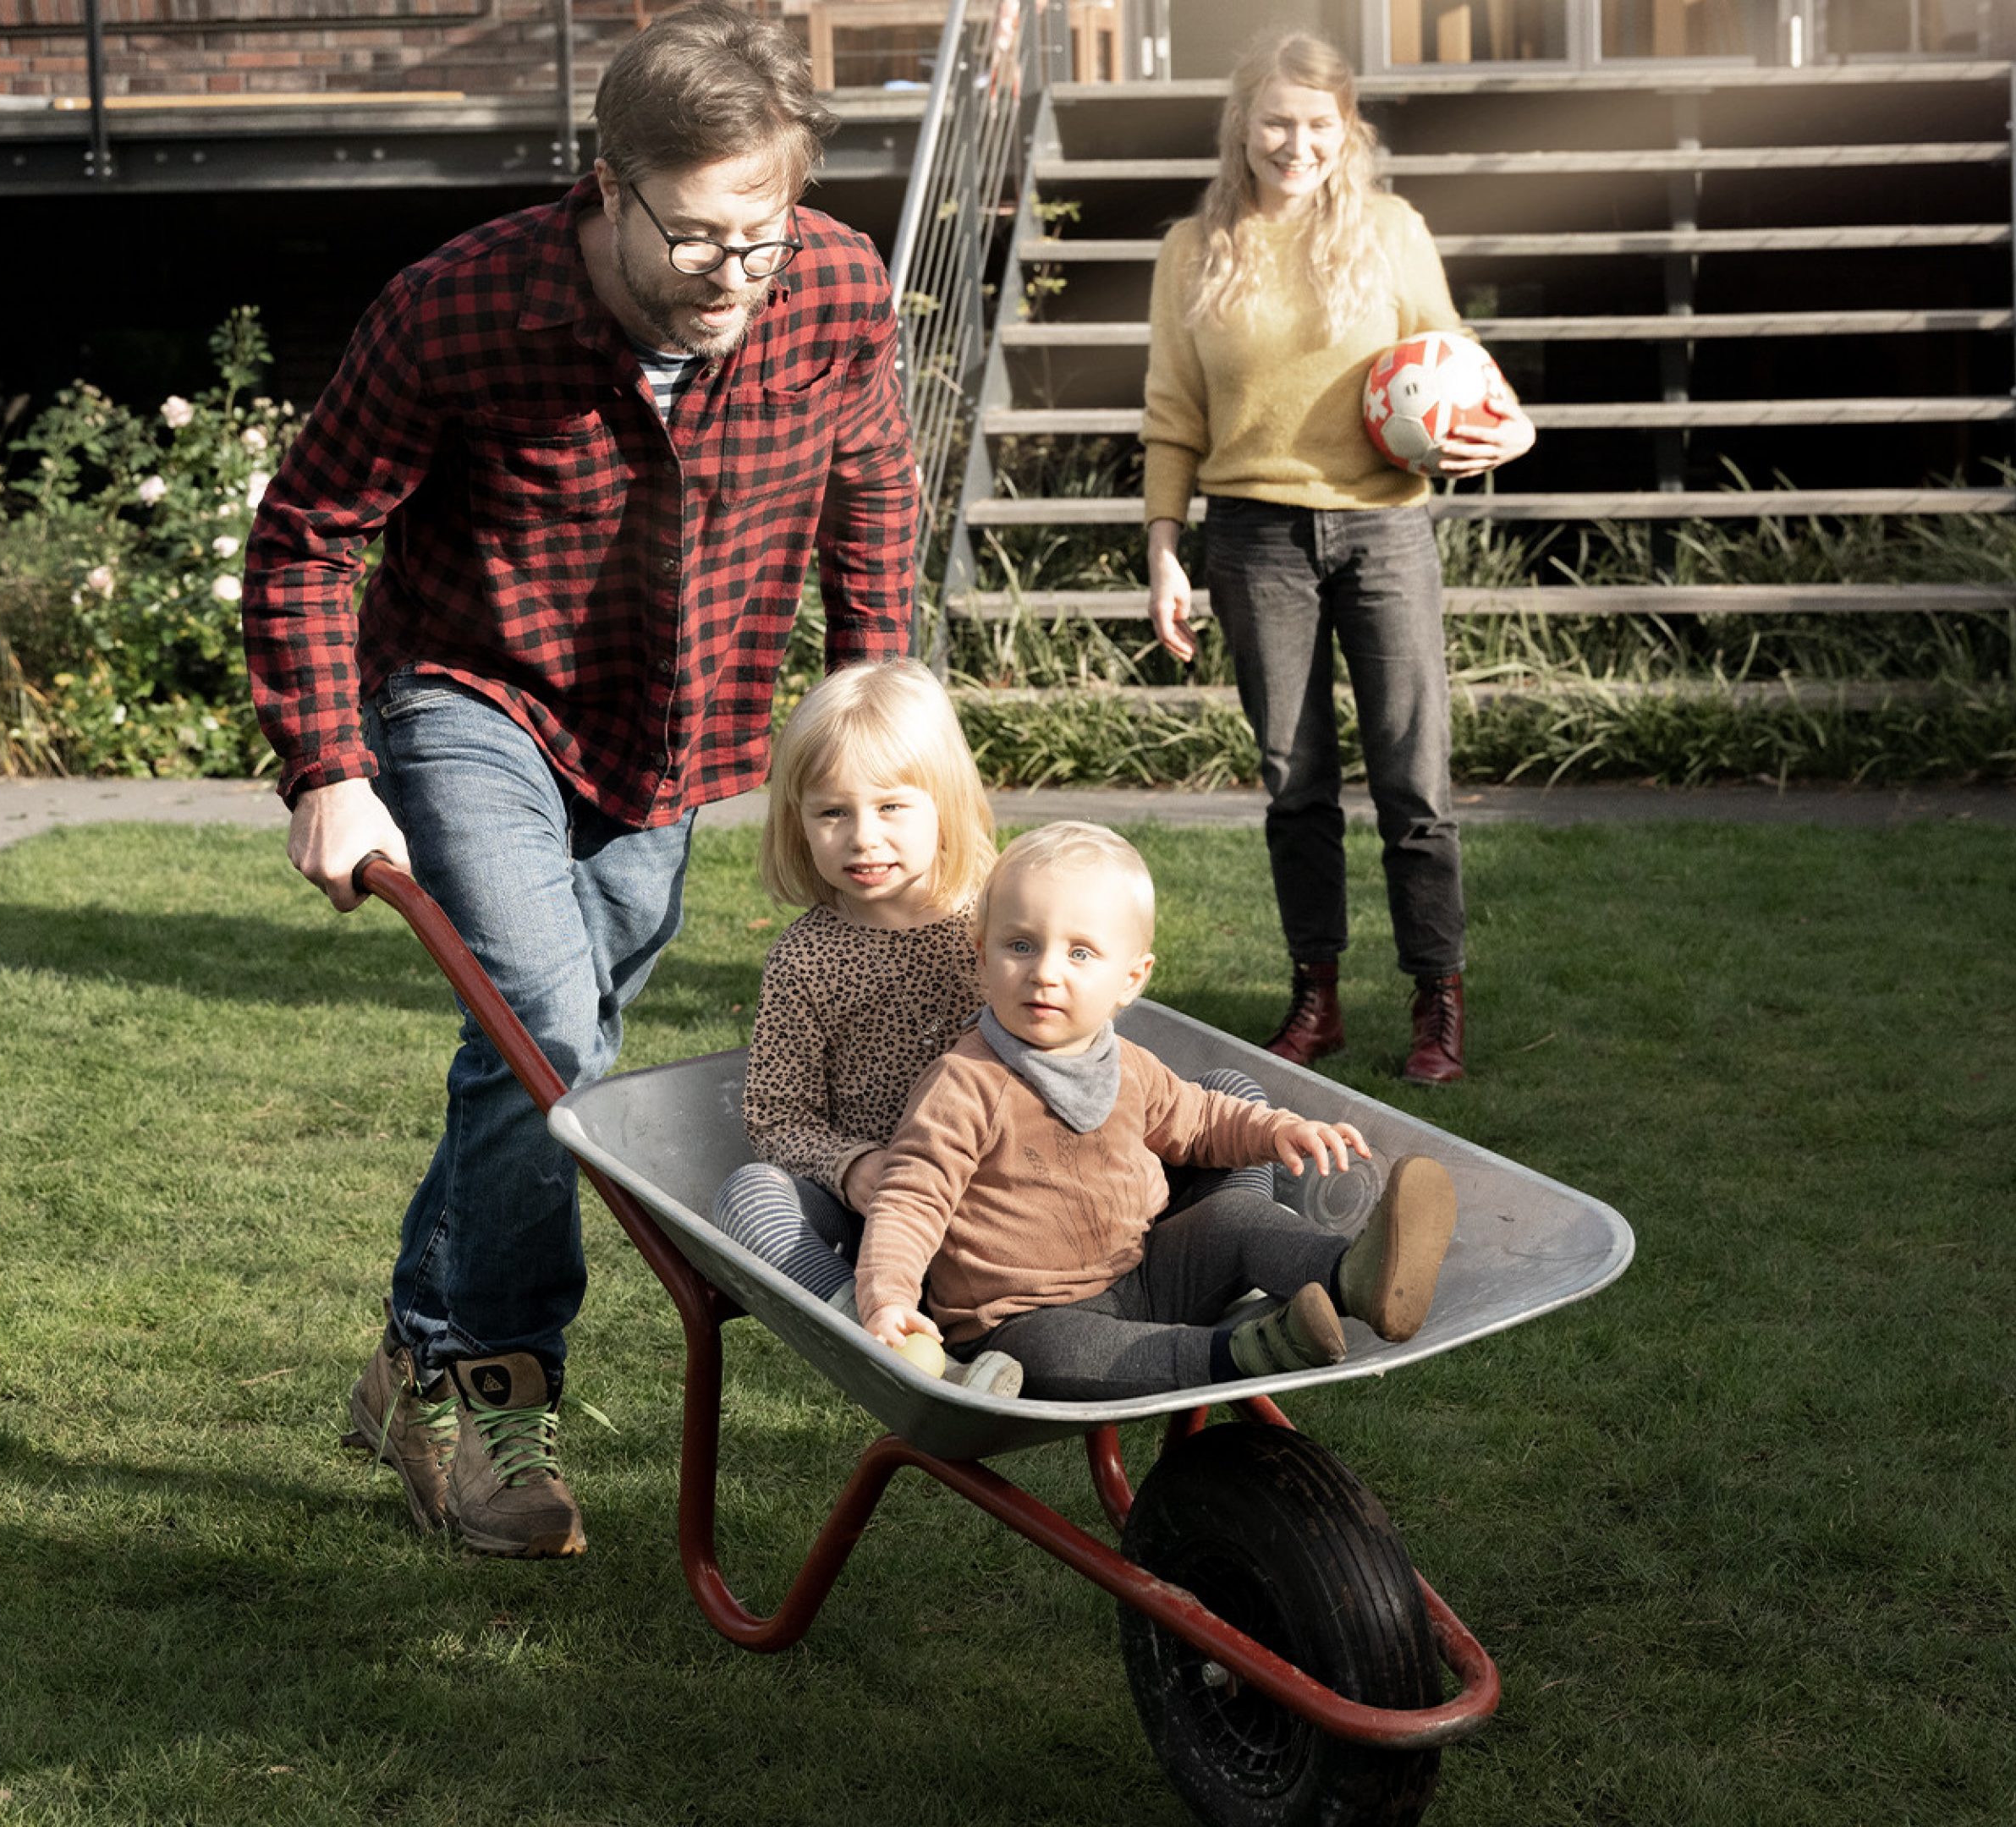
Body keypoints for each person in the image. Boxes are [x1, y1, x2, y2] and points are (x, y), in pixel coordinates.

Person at [240, 2, 919, 1559]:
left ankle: (411, 1355)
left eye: (765, 232)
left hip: (677, 730)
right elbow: (307, 534)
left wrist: (876, 711)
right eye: (695, 239)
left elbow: (872, 486)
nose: (734, 278)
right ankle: (502, 1408)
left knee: (538, 1062)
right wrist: (328, 767)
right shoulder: (460, 309)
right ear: (605, 187)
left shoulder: (832, 286)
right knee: (550, 1038)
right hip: (477, 700)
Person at [1139, 31, 1537, 1089]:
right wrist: (1167, 551)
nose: (1296, 143)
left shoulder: (1392, 232)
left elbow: (1454, 358)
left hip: (1385, 529)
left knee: (1415, 778)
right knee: (1294, 782)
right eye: (1276, 121)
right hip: (1253, 535)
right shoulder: (1193, 247)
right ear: (1241, 125)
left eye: (1320, 124)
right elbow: (1174, 414)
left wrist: (1514, 429)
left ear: (1347, 131)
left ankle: (1435, 1001)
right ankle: (1315, 1000)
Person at [707, 663, 1265, 1398]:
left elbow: (1088, 1021)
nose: (863, 837)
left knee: (1229, 1094)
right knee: (750, 1195)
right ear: (798, 821)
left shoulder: (998, 915)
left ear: (943, 804)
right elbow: (776, 1118)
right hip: (890, 1210)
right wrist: (853, 1167)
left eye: (892, 808)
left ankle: (1242, 1240)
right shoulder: (806, 958)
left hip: (1036, 1183)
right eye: (832, 813)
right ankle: (888, 1333)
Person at [853, 823, 1460, 1402]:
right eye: (1020, 945)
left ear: (1131, 979)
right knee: (1055, 1353)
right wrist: (889, 1298)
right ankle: (1235, 1355)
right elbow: (912, 1198)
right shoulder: (965, 1084)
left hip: (1144, 1273)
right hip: (1020, 1316)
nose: (1045, 972)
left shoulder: (1129, 1065)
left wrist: (1280, 1130)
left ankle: (1355, 1275)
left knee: (1234, 1217)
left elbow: (1201, 1120)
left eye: (1081, 953)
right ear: (982, 958)